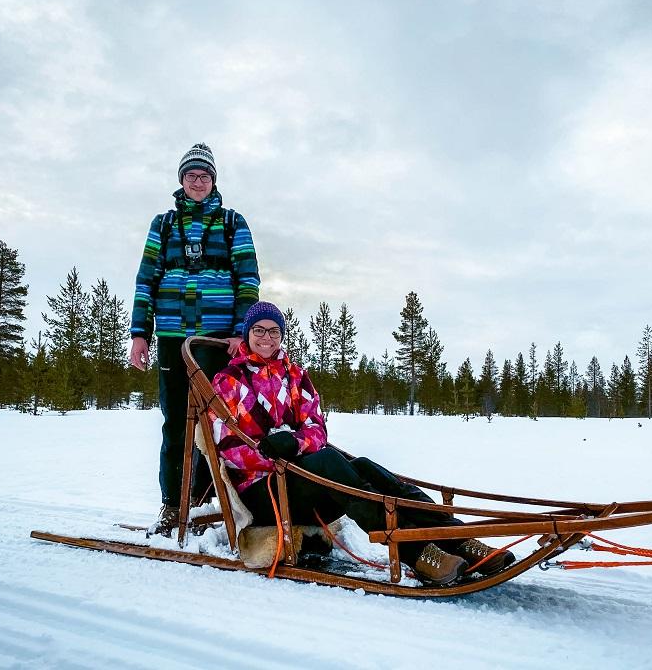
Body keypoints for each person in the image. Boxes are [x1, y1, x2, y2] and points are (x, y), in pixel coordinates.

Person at [209, 301, 515, 586]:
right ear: (247, 334)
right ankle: (415, 553)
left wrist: (295, 443)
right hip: (263, 492)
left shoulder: (295, 376)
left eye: (274, 330)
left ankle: (456, 537)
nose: (267, 337)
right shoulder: (228, 380)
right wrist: (269, 453)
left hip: (302, 482)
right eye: (258, 330)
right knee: (328, 461)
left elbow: (317, 430)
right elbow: (227, 446)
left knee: (365, 467)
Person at [130, 143, 260, 536]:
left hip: (217, 341)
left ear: (213, 180)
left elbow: (248, 279)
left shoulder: (232, 222)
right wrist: (140, 333)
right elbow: (146, 280)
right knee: (175, 423)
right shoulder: (163, 225)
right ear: (181, 180)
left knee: (216, 424)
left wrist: (241, 331)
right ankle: (173, 505)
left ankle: (206, 506)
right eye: (191, 176)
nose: (198, 182)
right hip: (171, 337)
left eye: (205, 176)